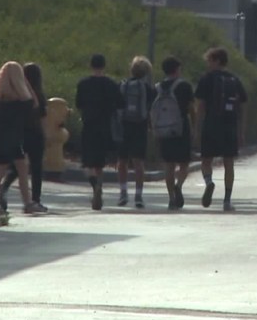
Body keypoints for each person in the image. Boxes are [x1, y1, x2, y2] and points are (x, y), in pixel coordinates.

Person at [0, 62, 47, 215]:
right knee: (22, 171)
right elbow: (35, 103)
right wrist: (25, 82)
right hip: (13, 140)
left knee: (2, 172)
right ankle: (27, 203)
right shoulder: (18, 101)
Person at [194, 47, 247, 212]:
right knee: (228, 163)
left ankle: (209, 182)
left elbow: (201, 106)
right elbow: (242, 107)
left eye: (209, 60)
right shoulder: (234, 80)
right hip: (229, 125)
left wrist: (197, 127)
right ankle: (227, 200)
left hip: (211, 124)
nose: (208, 64)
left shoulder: (206, 79)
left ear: (217, 61)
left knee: (206, 160)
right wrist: (241, 130)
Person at [75, 54, 124, 210]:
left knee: (88, 162)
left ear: (91, 65)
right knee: (100, 162)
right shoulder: (111, 84)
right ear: (104, 66)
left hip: (89, 125)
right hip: (106, 126)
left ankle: (94, 184)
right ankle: (99, 183)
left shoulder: (83, 84)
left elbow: (78, 104)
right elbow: (120, 103)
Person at [153, 56, 195, 210]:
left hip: (164, 130)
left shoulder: (157, 87)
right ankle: (179, 185)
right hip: (181, 128)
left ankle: (171, 197)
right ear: (177, 69)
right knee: (184, 163)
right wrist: (195, 126)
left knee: (168, 166)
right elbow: (191, 108)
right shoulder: (184, 86)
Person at [117, 56, 157, 208]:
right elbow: (150, 108)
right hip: (140, 127)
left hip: (124, 126)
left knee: (122, 162)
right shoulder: (148, 89)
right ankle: (138, 195)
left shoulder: (122, 85)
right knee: (138, 162)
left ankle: (123, 193)